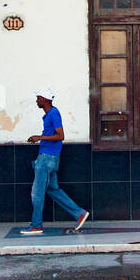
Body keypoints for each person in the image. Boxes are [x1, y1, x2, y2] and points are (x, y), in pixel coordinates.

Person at [20, 88, 89, 236]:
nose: (37, 100)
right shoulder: (50, 114)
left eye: (39, 98)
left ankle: (36, 225)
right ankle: (79, 214)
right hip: (48, 157)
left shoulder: (53, 113)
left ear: (45, 99)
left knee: (37, 193)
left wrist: (39, 137)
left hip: (47, 159)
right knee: (53, 190)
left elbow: (60, 136)